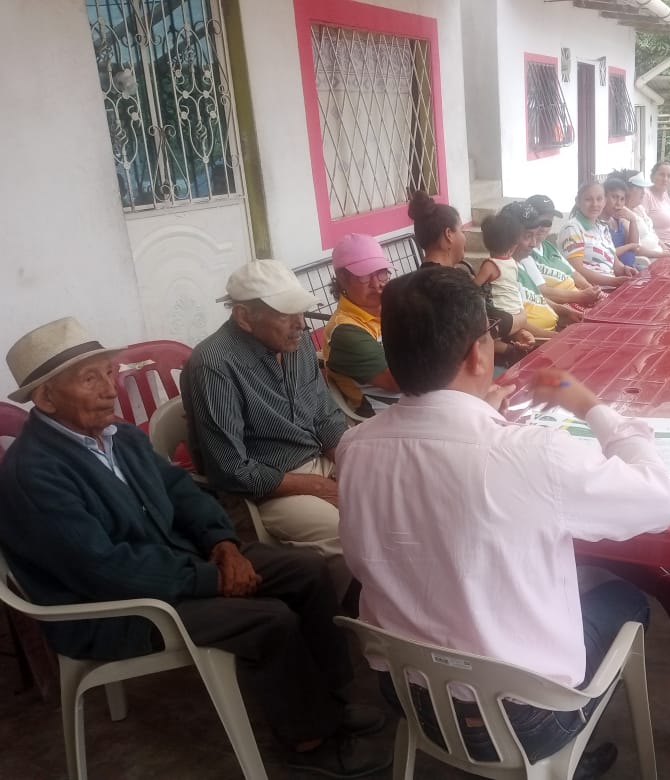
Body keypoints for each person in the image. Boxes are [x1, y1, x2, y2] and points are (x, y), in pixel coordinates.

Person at [0, 317, 390, 779]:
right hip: (115, 610)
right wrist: (212, 578)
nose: (109, 390)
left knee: (308, 571)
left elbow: (182, 491)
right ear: (46, 398)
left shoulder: (119, 438)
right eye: (90, 380)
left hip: (179, 564)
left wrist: (222, 543)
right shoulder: (33, 474)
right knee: (268, 619)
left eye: (108, 373)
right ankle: (309, 740)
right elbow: (103, 570)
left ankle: (332, 703)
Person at [335, 266, 670, 767]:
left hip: (409, 699)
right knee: (627, 599)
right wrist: (590, 406)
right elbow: (662, 499)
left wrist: (482, 412)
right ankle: (566, 761)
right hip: (522, 724)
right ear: (478, 353)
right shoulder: (533, 453)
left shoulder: (354, 447)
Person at [180, 260, 352, 598]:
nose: (301, 324)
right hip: (269, 490)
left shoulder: (297, 343)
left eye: (300, 311)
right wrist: (319, 486)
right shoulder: (214, 364)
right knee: (348, 535)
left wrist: (349, 463)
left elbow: (325, 417)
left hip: (319, 463)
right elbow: (231, 470)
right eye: (286, 314)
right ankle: (343, 613)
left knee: (388, 506)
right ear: (244, 317)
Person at [409, 191, 536, 365]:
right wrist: (521, 320)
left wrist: (517, 332)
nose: (465, 237)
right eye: (461, 230)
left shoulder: (411, 284)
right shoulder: (453, 286)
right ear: (448, 235)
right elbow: (492, 325)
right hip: (461, 369)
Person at [323, 234, 399, 417]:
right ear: (342, 278)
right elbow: (398, 381)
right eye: (365, 276)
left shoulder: (392, 307)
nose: (377, 284)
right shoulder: (344, 332)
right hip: (387, 418)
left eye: (381, 273)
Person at [475, 211, 559, 338]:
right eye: (527, 236)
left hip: (507, 316)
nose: (533, 243)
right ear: (514, 245)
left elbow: (472, 287)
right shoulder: (512, 264)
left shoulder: (490, 265)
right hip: (512, 316)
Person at [557, 181, 639, 289]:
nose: (595, 204)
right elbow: (576, 270)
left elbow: (614, 263)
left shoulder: (603, 228)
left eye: (599, 199)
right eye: (588, 199)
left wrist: (625, 270)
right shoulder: (572, 229)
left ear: (604, 201)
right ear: (578, 201)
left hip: (611, 287)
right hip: (591, 291)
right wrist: (613, 281)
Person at [524, 194, 603, 305]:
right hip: (564, 304)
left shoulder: (548, 246)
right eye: (539, 221)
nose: (543, 228)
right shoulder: (523, 252)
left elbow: (573, 273)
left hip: (578, 297)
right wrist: (582, 296)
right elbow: (542, 292)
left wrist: (592, 290)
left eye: (548, 222)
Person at [617, 172, 670, 262]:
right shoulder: (624, 216)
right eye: (640, 188)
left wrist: (664, 246)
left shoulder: (638, 208)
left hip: (660, 252)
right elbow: (635, 248)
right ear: (628, 190)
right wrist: (661, 255)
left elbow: (652, 233)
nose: (643, 192)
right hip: (650, 259)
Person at [603, 177, 640, 268]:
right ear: (604, 197)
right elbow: (606, 253)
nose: (618, 203)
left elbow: (634, 247)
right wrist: (629, 246)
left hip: (632, 268)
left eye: (622, 199)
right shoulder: (599, 223)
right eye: (614, 197)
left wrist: (633, 220)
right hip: (615, 271)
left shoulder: (618, 220)